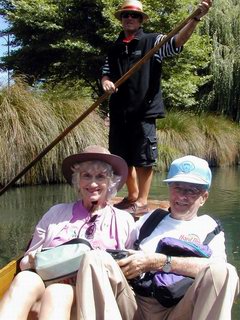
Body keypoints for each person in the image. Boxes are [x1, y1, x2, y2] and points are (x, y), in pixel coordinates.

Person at [74, 155, 239, 319]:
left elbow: (218, 272)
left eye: (191, 191)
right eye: (177, 188)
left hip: (181, 308)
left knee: (225, 271)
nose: (182, 196)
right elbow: (122, 253)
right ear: (170, 189)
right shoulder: (149, 220)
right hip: (137, 303)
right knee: (95, 257)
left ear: (203, 197)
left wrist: (161, 262)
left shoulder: (210, 228)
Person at [101, 0, 213, 215]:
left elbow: (178, 42)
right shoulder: (113, 47)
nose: (130, 18)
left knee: (143, 159)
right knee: (121, 159)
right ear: (121, 19)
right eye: (126, 15)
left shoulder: (154, 42)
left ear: (141, 19)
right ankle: (132, 195)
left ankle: (142, 201)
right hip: (118, 112)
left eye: (134, 16)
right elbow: (106, 72)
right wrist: (105, 82)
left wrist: (195, 19)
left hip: (144, 111)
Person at [0, 145, 135, 320]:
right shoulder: (55, 213)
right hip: (47, 281)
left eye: (100, 177)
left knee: (58, 292)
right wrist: (34, 259)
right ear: (77, 180)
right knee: (24, 280)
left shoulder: (123, 220)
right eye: (86, 175)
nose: (93, 183)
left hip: (94, 293)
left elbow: (130, 272)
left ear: (110, 182)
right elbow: (25, 263)